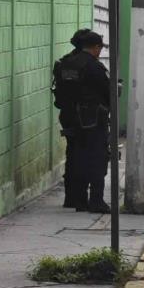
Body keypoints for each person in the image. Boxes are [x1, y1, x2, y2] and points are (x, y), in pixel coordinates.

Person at [52, 30, 111, 213]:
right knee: (96, 158)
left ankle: (75, 198)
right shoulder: (94, 66)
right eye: (99, 48)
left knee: (75, 157)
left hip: (69, 117)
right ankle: (95, 200)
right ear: (95, 47)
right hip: (91, 118)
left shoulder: (64, 63)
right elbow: (106, 92)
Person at [53, 28, 92, 208]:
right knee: (85, 156)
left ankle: (71, 197)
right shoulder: (88, 64)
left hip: (67, 114)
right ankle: (81, 198)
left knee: (72, 153)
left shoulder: (64, 63)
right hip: (86, 116)